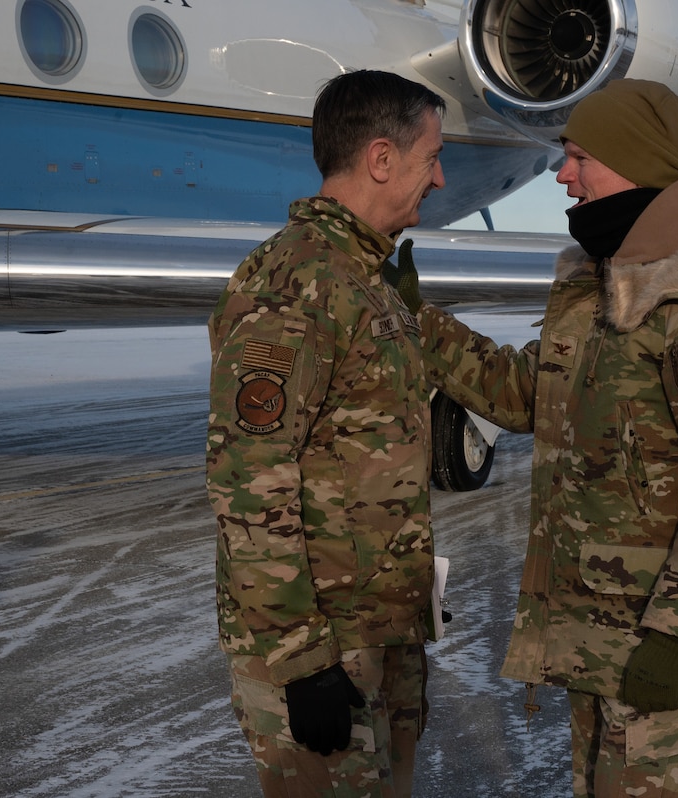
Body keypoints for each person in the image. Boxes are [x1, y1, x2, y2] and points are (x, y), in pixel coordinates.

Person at [385, 79, 678, 797]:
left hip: (674, 655)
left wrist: (677, 635)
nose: (563, 174)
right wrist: (418, 321)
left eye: (579, 156)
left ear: (635, 161)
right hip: (605, 637)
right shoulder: (609, 275)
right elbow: (531, 394)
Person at [205, 69, 446, 798]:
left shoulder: (366, 278)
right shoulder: (298, 283)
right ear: (381, 158)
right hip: (323, 648)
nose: (438, 180)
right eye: (431, 157)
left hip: (378, 636)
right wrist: (303, 660)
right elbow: (249, 478)